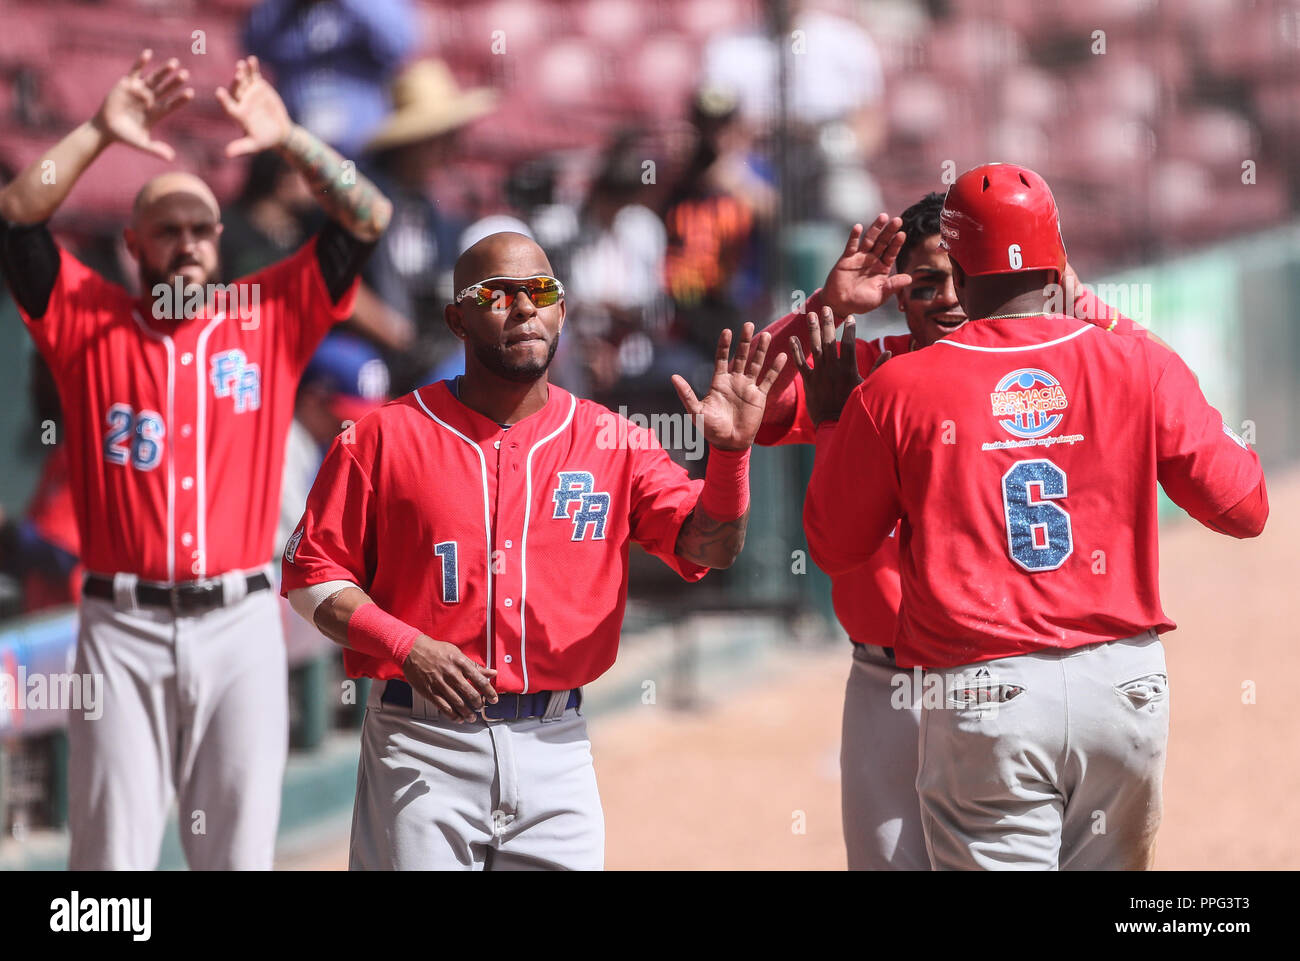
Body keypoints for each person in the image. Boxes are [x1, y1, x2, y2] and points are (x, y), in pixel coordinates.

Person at [801, 163, 1267, 870]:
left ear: (957, 266)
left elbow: (835, 546)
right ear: (1060, 263)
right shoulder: (1136, 362)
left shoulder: (897, 387)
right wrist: (1115, 327)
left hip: (989, 693)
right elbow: (1244, 506)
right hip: (1125, 689)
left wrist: (835, 423)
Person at [0, 50, 392, 869]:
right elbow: (17, 214)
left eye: (199, 228)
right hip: (119, 626)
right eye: (166, 229)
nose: (185, 243)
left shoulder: (271, 313)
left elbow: (368, 218)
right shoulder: (85, 319)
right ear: (135, 244)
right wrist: (102, 131)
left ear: (221, 239)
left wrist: (290, 141)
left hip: (242, 623)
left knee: (240, 857)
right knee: (110, 869)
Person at [281, 231, 783, 870]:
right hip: (420, 740)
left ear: (562, 311)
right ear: (456, 319)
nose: (523, 307)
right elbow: (310, 578)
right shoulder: (383, 435)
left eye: (540, 291)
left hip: (558, 743)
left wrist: (732, 457)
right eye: (497, 294)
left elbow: (708, 548)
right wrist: (405, 645)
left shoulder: (614, 440)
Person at [758, 193, 1158, 870]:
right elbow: (752, 405)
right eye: (923, 283)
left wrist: (1082, 303)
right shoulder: (865, 371)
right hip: (891, 680)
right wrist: (825, 310)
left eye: (954, 278)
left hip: (1003, 674)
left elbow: (1154, 376)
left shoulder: (1045, 369)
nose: (945, 299)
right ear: (897, 295)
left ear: (982, 277)